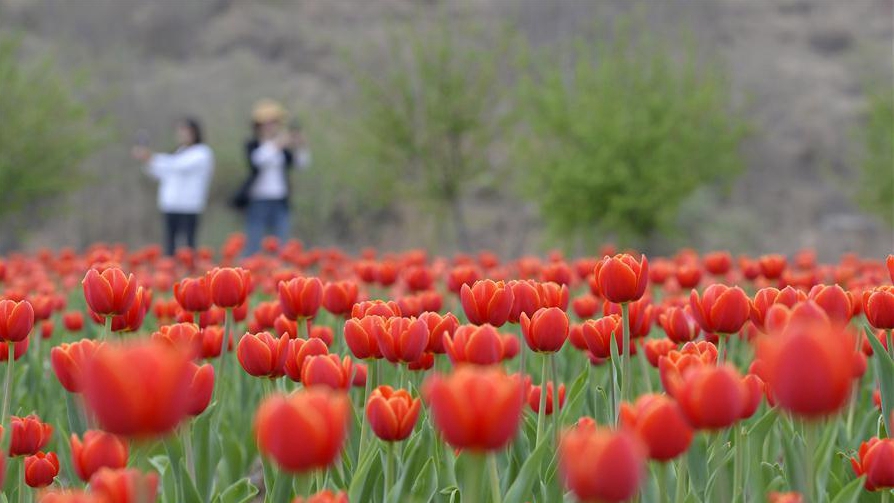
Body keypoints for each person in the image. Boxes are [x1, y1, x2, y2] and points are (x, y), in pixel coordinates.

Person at [232, 99, 310, 256]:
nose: (270, 127)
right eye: (265, 123)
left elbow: (302, 164)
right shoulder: (253, 144)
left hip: (280, 200)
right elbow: (257, 160)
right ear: (258, 126)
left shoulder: (284, 147)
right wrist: (277, 144)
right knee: (254, 244)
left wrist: (301, 145)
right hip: (258, 199)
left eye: (274, 122)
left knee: (281, 245)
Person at [131, 118, 214, 256]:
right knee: (170, 245)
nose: (182, 134)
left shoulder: (202, 153)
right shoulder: (179, 152)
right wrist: (147, 161)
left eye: (186, 130)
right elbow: (160, 172)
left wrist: (151, 157)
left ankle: (189, 272)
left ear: (195, 132)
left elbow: (178, 165)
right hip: (170, 204)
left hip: (189, 206)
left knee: (188, 245)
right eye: (180, 131)